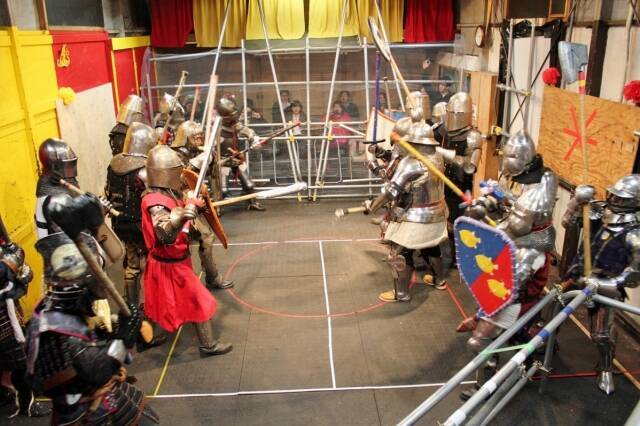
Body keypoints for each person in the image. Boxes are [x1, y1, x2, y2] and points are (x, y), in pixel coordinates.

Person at [26, 194, 158, 425]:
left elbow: (89, 336)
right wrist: (123, 339)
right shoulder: (56, 329)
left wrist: (118, 326)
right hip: (85, 410)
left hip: (95, 393)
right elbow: (98, 370)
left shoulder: (61, 310)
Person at [460, 130, 558, 400]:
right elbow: (513, 214)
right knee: (508, 331)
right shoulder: (532, 180)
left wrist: (483, 316)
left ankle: (485, 388)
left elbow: (505, 291)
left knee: (479, 340)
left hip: (521, 273)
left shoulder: (531, 250)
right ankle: (525, 350)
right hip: (513, 251)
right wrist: (490, 202)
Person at [141, 144, 233, 357]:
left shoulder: (165, 193)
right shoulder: (155, 202)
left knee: (155, 303)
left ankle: (144, 338)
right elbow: (165, 234)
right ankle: (208, 345)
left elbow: (184, 225)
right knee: (199, 300)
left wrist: (194, 208)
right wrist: (183, 214)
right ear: (166, 173)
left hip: (172, 261)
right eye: (176, 172)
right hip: (169, 266)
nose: (180, 176)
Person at [561, 175, 640, 395]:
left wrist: (599, 283)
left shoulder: (635, 235)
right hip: (577, 273)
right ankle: (543, 343)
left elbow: (632, 277)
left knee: (601, 334)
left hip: (603, 285)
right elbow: (567, 222)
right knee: (554, 306)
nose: (613, 199)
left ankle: (605, 368)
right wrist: (577, 201)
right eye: (613, 194)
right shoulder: (598, 210)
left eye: (621, 197)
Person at [364, 124, 449, 301]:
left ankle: (401, 293)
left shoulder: (411, 163)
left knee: (400, 252)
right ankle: (439, 280)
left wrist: (372, 206)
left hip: (416, 217)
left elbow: (391, 192)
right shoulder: (437, 157)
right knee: (430, 246)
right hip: (438, 213)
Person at [171, 120, 234, 290]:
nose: (199, 141)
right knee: (198, 239)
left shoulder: (193, 153)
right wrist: (198, 161)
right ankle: (198, 280)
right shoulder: (173, 156)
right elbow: (179, 180)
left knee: (206, 237)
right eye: (196, 138)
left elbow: (207, 173)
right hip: (176, 205)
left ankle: (210, 277)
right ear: (185, 138)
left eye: (201, 137)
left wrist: (216, 160)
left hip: (192, 202)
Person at [0, 229, 50, 418]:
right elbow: (6, 270)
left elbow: (21, 273)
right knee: (18, 360)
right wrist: (12, 259)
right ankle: (25, 404)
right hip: (3, 315)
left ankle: (9, 396)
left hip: (6, 306)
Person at [216, 97, 266, 211]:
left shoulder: (235, 125)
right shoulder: (216, 129)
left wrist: (254, 139)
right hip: (222, 161)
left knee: (249, 184)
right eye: (231, 116)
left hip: (237, 158)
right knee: (223, 190)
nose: (234, 117)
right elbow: (212, 149)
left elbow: (248, 131)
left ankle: (253, 202)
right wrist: (219, 160)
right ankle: (217, 207)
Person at [34, 139, 79, 240]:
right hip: (63, 244)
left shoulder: (66, 182)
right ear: (54, 166)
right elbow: (74, 229)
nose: (70, 170)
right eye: (67, 166)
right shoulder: (51, 197)